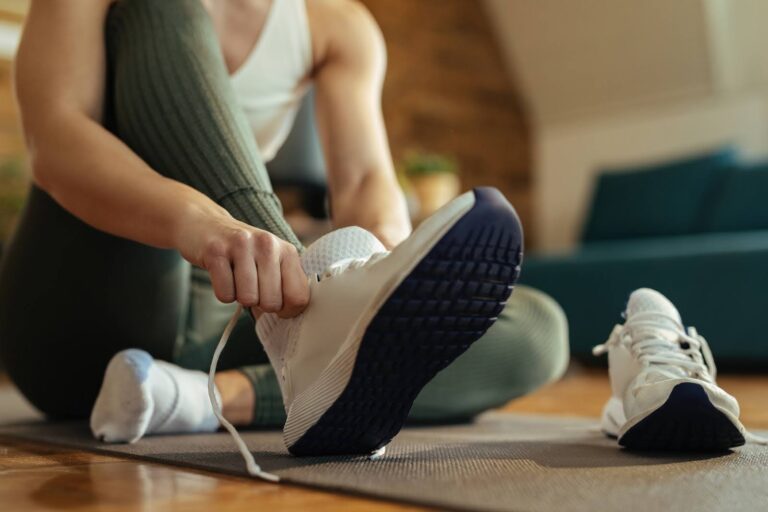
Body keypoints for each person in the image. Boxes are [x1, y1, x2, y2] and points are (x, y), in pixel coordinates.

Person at [0, 0, 568, 451]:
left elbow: (368, 181)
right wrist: (207, 225)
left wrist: (392, 272)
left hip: (225, 315)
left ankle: (214, 397)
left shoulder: (339, 27)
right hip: (82, 315)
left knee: (539, 329)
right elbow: (55, 142)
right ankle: (300, 333)